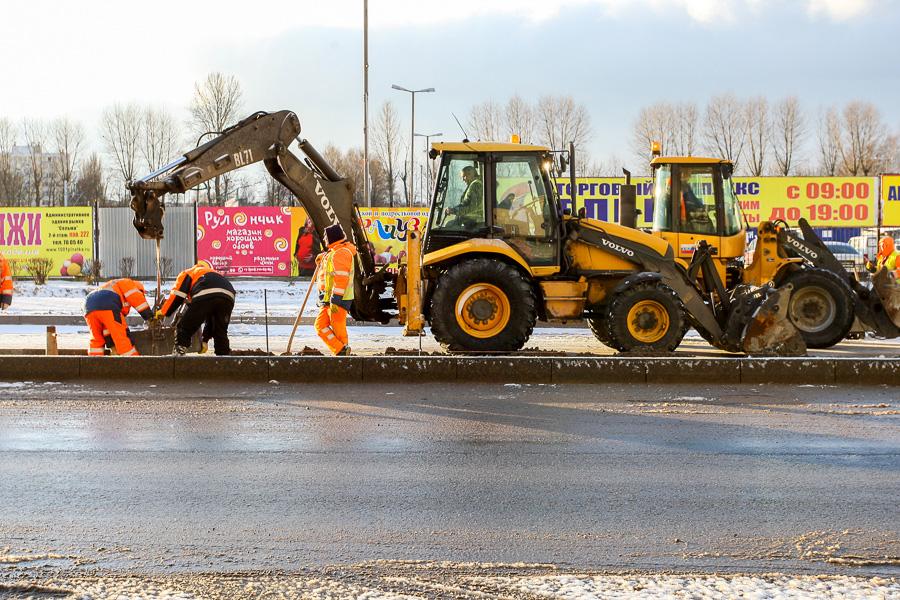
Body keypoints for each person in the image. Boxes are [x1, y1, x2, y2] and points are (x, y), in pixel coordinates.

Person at [159, 263, 236, 355]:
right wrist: (205, 340)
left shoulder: (188, 273)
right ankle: (224, 360)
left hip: (204, 292)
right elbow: (211, 320)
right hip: (228, 296)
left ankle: (179, 354)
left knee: (184, 326)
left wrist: (164, 312)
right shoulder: (214, 273)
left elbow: (178, 296)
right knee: (220, 331)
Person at [315, 223, 356, 356]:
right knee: (320, 326)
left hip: (338, 298)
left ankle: (343, 353)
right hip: (328, 299)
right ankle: (340, 350)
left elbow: (341, 278)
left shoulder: (341, 253)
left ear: (332, 238)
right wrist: (322, 260)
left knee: (338, 328)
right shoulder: (333, 252)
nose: (325, 240)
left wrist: (336, 299)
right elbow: (327, 277)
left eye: (326, 238)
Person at [83, 278, 153, 356]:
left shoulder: (112, 286)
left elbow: (108, 327)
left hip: (88, 306)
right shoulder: (130, 284)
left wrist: (111, 345)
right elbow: (138, 300)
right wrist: (150, 317)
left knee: (96, 338)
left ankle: (94, 363)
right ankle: (132, 361)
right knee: (121, 337)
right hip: (108, 304)